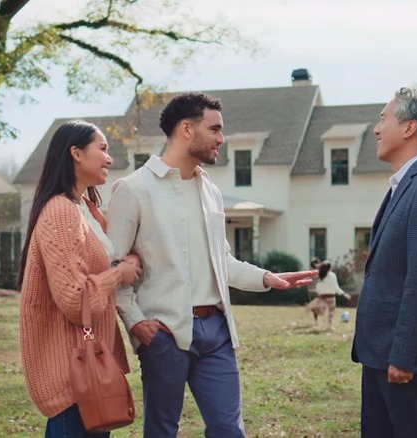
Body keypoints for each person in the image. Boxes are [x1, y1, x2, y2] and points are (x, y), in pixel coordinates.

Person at [106, 92, 316, 437]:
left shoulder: (210, 190)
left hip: (216, 331)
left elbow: (223, 261)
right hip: (165, 334)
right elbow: (114, 266)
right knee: (162, 431)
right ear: (186, 129)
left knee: (228, 430)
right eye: (215, 129)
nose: (221, 138)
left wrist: (268, 278)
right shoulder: (133, 189)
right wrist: (136, 323)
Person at [17, 120, 142, 438]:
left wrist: (122, 264)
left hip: (91, 377)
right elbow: (75, 298)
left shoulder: (85, 208)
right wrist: (119, 275)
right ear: (75, 153)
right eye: (102, 149)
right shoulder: (60, 212)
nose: (109, 158)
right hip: (73, 380)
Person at [351, 88, 417, 438]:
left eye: (384, 118)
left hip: (406, 362)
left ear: (410, 127)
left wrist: (404, 355)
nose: (376, 129)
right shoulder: (405, 185)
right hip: (381, 355)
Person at [305, 260, 351, 327]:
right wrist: (344, 294)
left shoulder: (321, 275)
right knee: (331, 312)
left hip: (322, 297)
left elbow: (318, 287)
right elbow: (336, 287)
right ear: (330, 268)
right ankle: (329, 325)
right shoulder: (332, 275)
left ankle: (317, 312)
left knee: (320, 311)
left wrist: (318, 294)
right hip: (331, 297)